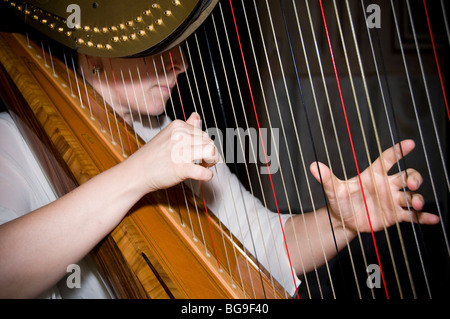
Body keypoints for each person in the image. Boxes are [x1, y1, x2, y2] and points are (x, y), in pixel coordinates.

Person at [0, 44, 439, 299]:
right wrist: (138, 174)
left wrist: (340, 222)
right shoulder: (15, 138)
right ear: (97, 46)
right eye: (157, 46)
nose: (181, 63)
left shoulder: (175, 134)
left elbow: (266, 242)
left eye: (180, 45)